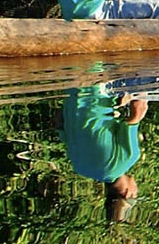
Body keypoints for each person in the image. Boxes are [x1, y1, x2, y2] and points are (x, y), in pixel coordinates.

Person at [61, 82, 148, 223]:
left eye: (136, 193)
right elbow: (59, 123)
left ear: (128, 193)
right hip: (71, 91)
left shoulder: (129, 158)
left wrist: (141, 93)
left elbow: (138, 109)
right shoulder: (79, 167)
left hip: (99, 89)